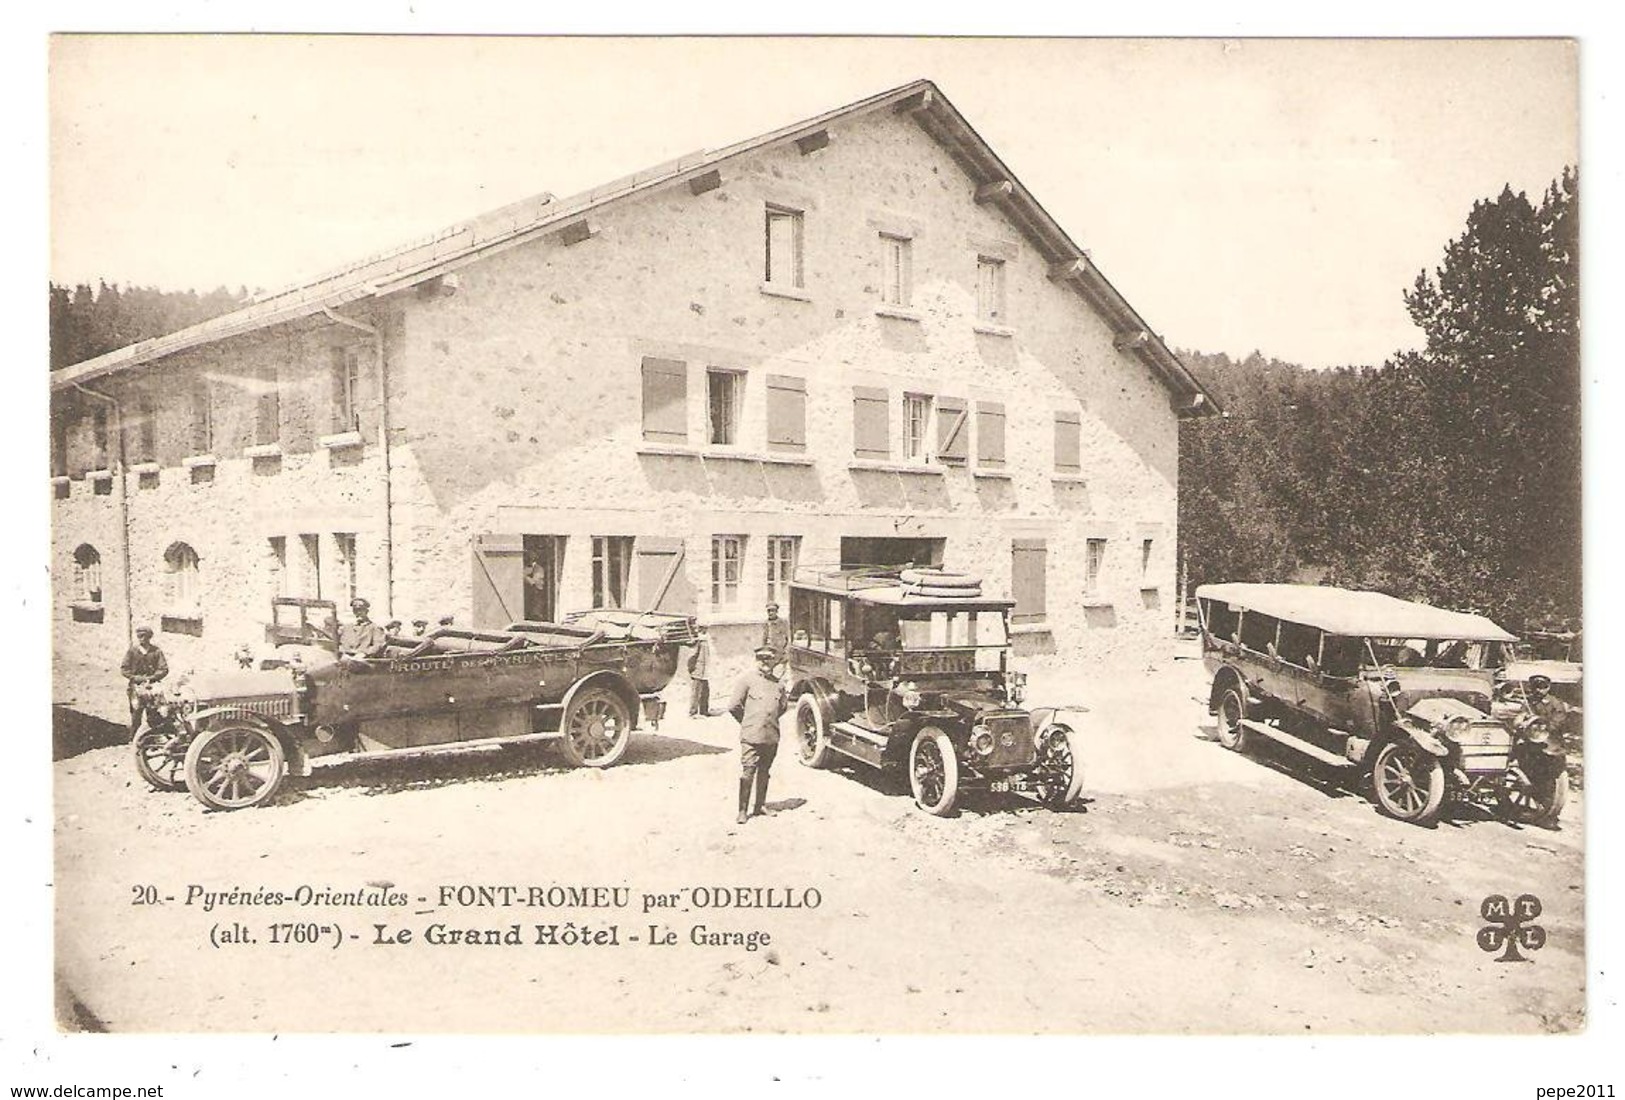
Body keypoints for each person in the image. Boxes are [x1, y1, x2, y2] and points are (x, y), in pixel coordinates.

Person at [724, 646, 788, 824]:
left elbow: (782, 707)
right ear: (757, 661)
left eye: (769, 659)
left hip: (771, 735)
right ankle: (742, 811)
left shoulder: (779, 684)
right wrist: (747, 723)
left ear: (774, 661)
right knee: (748, 771)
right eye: (762, 659)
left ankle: (760, 805)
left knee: (765, 771)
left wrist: (769, 721)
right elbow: (733, 706)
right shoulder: (747, 680)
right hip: (751, 736)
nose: (765, 663)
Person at [121, 625, 169, 737]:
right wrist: (136, 678)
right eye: (140, 636)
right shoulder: (132, 652)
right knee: (136, 713)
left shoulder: (156, 651)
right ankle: (134, 738)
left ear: (149, 637)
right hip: (135, 686)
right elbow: (124, 669)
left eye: (144, 636)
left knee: (153, 713)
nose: (142, 639)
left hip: (152, 686)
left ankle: (150, 737)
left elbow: (164, 669)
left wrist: (152, 678)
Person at [687, 627, 713, 718]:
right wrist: (692, 669)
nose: (705, 630)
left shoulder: (706, 641)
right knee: (696, 692)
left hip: (705, 671)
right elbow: (692, 657)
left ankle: (704, 711)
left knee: (705, 692)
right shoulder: (697, 642)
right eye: (703, 629)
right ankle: (693, 712)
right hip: (698, 670)